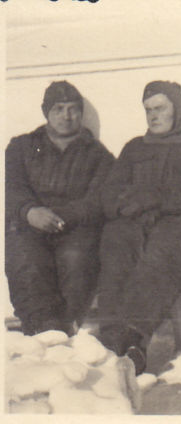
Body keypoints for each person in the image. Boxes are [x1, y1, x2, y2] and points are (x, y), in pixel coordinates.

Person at [95, 80, 181, 375]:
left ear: (178, 109)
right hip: (137, 222)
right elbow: (109, 193)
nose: (153, 115)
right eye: (148, 109)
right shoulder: (134, 148)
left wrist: (157, 199)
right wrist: (127, 206)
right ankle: (110, 337)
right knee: (115, 238)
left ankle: (134, 338)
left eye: (160, 108)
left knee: (163, 248)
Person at [5, 81, 114, 336]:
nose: (66, 116)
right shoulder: (22, 147)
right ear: (46, 112)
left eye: (73, 109)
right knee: (26, 259)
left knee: (76, 259)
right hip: (30, 225)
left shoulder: (97, 154)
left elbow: (100, 199)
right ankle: (41, 328)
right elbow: (11, 187)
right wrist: (30, 211)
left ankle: (67, 326)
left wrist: (64, 215)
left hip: (76, 227)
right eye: (59, 109)